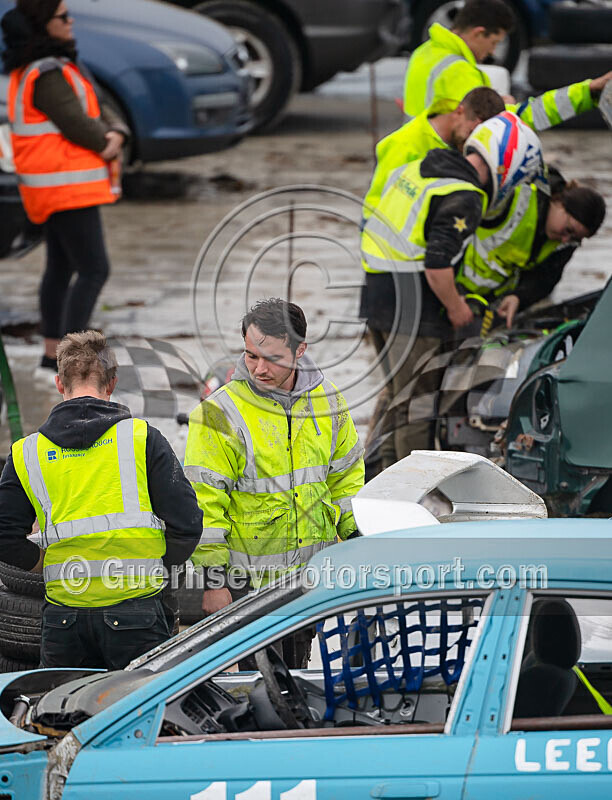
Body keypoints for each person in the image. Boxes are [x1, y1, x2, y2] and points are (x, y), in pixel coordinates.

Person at [0, 331, 203, 669]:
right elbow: (189, 523)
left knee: (60, 716)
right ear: (112, 383)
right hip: (137, 613)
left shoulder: (27, 453)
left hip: (65, 619)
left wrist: (42, 564)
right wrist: (154, 565)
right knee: (140, 713)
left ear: (58, 384)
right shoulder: (142, 439)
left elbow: (4, 536)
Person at [360, 111, 545, 463]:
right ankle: (412, 499)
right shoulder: (465, 196)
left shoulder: (422, 167)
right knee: (418, 409)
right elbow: (437, 265)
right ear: (509, 169)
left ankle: (384, 485)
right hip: (415, 307)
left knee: (400, 405)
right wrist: (457, 308)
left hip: (376, 295)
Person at [184, 299, 364, 623]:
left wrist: (358, 543)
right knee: (258, 676)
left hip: (312, 583)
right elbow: (203, 505)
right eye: (251, 356)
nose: (259, 369)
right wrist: (213, 582)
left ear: (300, 350)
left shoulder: (330, 401)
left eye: (272, 358)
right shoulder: (217, 415)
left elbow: (346, 480)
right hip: (247, 589)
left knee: (297, 672)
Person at [2, 0, 129, 373]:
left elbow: (99, 105)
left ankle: (50, 353)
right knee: (93, 269)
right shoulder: (46, 73)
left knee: (60, 266)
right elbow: (77, 122)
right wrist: (109, 141)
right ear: (43, 25)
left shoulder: (48, 67)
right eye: (62, 17)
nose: (71, 21)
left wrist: (116, 129)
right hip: (67, 186)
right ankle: (74, 360)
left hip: (54, 187)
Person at [403, 0, 612, 131]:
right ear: (478, 32)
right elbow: (519, 120)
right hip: (442, 170)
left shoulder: (425, 52)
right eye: (494, 42)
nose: (493, 51)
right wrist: (587, 92)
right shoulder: (460, 71)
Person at [461, 176, 606, 328]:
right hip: (446, 281)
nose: (565, 239)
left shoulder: (565, 244)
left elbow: (544, 279)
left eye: (574, 238)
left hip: (483, 304)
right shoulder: (518, 196)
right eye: (568, 230)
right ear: (559, 202)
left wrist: (518, 297)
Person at [363, 86, 505, 220]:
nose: (472, 143)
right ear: (459, 111)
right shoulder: (405, 144)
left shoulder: (459, 141)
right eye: (470, 132)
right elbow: (383, 203)